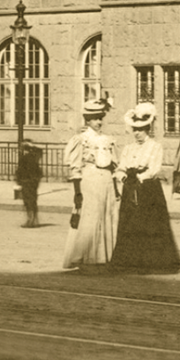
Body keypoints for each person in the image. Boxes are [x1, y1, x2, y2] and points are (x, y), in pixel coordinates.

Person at [108, 102, 180, 272]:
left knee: (149, 224)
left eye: (141, 129)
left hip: (148, 190)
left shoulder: (155, 147)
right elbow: (121, 167)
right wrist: (122, 176)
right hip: (130, 188)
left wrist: (139, 177)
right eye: (135, 129)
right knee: (130, 224)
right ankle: (131, 260)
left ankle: (152, 261)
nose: (137, 133)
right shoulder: (128, 148)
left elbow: (154, 169)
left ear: (148, 129)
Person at [61, 98, 118, 268]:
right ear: (87, 120)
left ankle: (104, 256)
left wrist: (116, 188)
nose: (98, 122)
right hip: (90, 180)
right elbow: (76, 167)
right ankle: (84, 256)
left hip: (106, 181)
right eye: (94, 119)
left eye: (100, 118)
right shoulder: (81, 139)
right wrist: (77, 192)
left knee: (106, 214)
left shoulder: (108, 140)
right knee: (90, 217)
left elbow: (114, 166)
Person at [15, 142, 43, 228]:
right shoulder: (34, 157)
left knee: (28, 201)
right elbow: (39, 172)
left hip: (26, 182)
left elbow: (20, 170)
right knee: (32, 201)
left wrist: (18, 180)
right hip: (33, 182)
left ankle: (30, 220)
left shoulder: (25, 158)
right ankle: (33, 220)